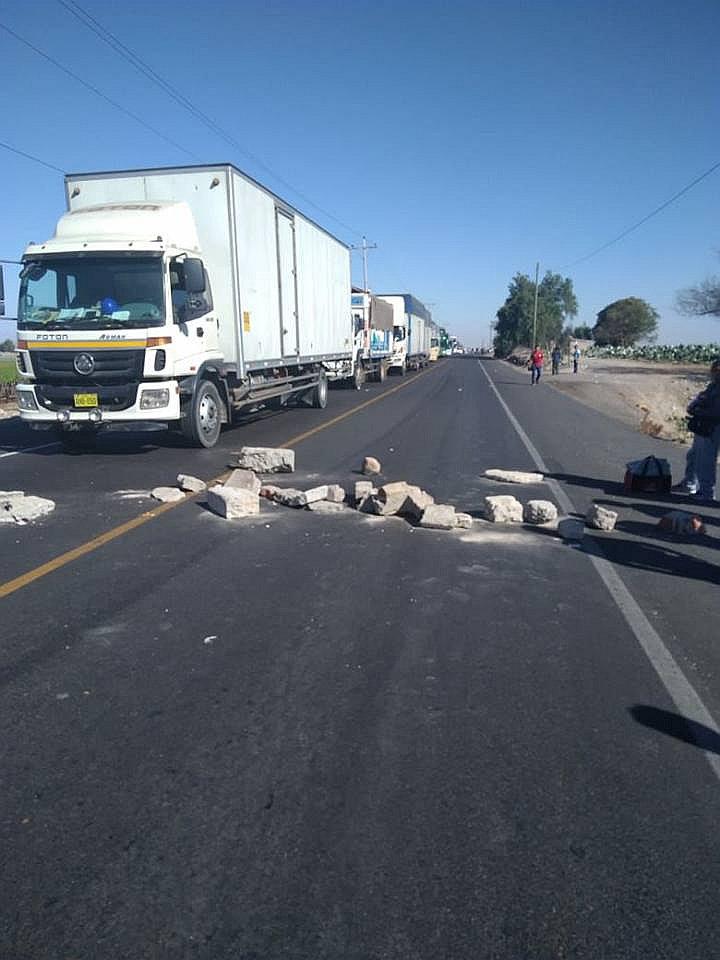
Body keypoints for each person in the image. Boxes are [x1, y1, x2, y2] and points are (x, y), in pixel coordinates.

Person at [673, 358, 720, 501]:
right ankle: (690, 482)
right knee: (694, 455)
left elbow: (715, 410)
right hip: (706, 425)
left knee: (705, 459)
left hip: (712, 425)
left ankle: (706, 492)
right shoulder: (714, 386)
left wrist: (698, 411)